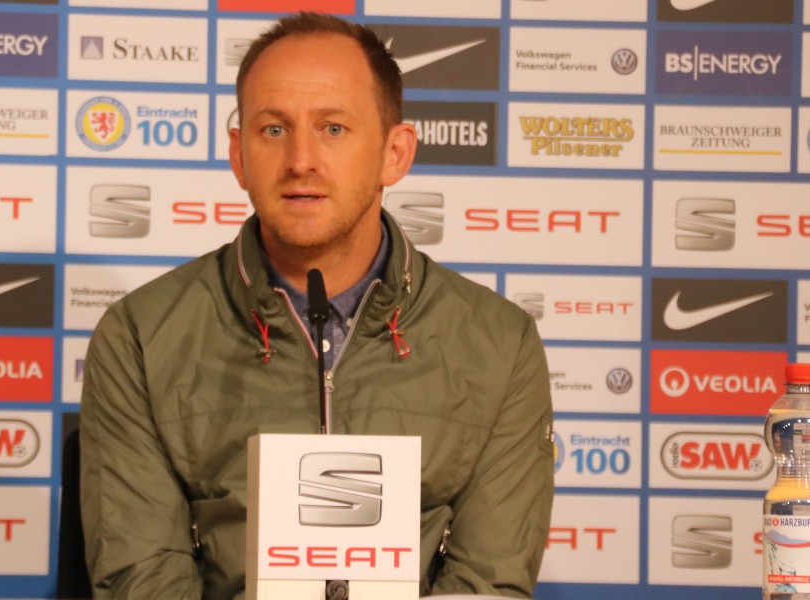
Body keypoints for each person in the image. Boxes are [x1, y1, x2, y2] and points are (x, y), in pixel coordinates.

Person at [80, 11, 554, 600]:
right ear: (239, 155)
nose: (301, 159)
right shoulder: (139, 337)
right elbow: (142, 582)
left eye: (333, 128)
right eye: (273, 130)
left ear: (395, 153)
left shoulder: (500, 344)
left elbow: (487, 583)